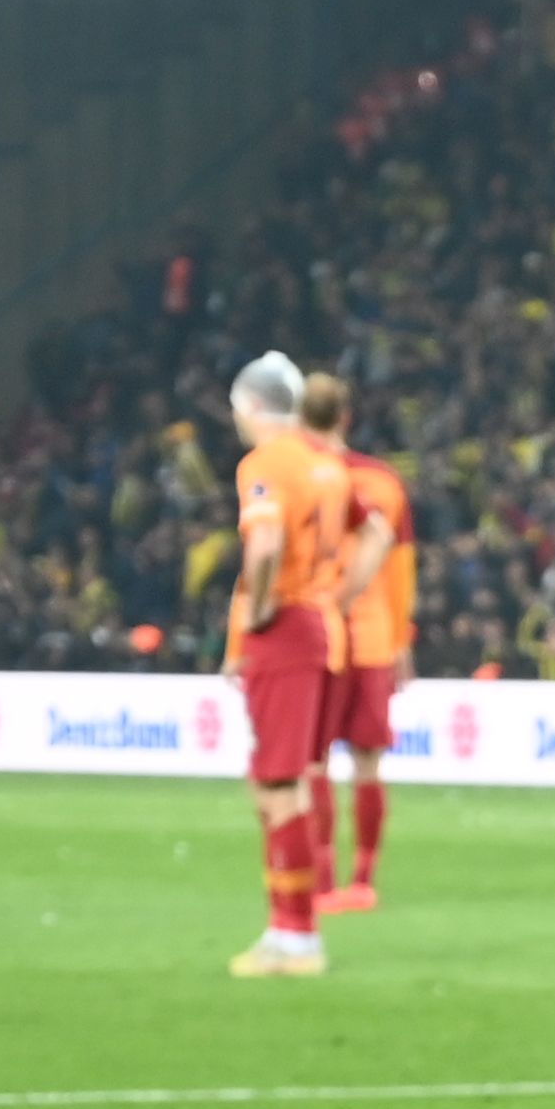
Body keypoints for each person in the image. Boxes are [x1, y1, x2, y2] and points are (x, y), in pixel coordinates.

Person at [224, 351, 354, 976]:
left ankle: (294, 934)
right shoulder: (322, 464)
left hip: (288, 626)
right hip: (321, 624)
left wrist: (258, 607)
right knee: (286, 782)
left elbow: (267, 541)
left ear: (251, 406)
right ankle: (291, 931)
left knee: (277, 787)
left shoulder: (268, 463)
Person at [299, 370, 412, 913]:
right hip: (372, 637)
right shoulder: (383, 481)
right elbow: (400, 567)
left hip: (315, 637)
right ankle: (363, 881)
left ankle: (321, 884)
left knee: (313, 761)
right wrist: (402, 638)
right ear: (346, 417)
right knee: (367, 761)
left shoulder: (295, 476)